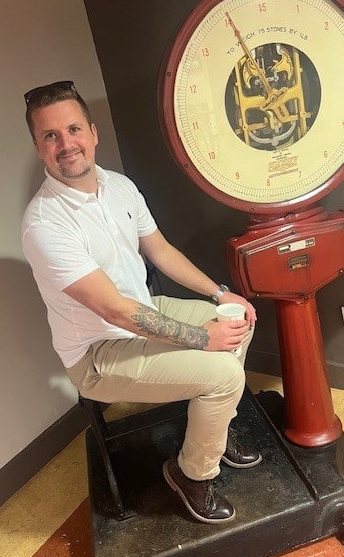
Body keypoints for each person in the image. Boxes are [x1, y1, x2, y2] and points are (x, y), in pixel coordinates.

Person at [21, 80, 261, 525]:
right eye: (50, 136)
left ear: (93, 132)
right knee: (225, 373)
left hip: (143, 311)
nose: (66, 144)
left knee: (237, 319)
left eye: (73, 129)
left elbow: (161, 251)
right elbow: (113, 310)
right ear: (38, 147)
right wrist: (199, 339)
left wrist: (220, 293)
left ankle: (211, 433)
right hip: (99, 352)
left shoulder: (119, 187)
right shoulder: (43, 224)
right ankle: (192, 474)